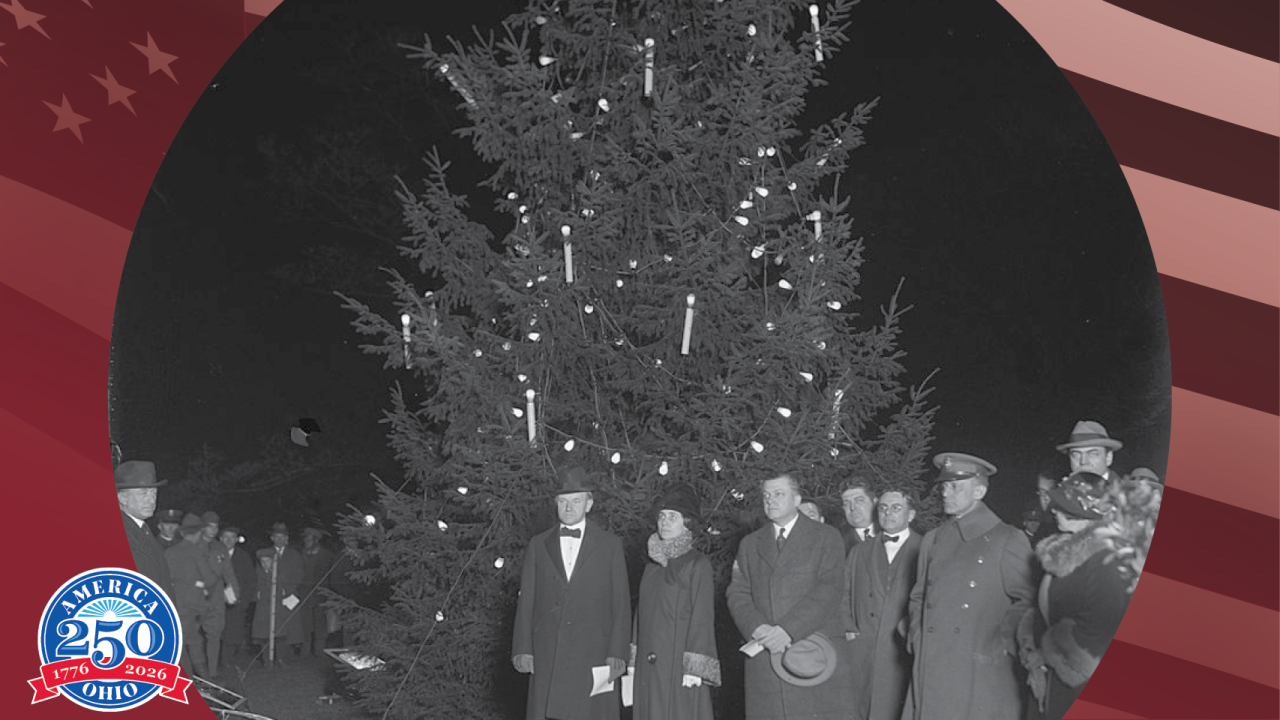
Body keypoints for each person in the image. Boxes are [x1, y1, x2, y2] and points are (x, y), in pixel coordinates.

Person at [902, 453, 1035, 720]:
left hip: (978, 670)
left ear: (979, 490)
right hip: (930, 667)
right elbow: (918, 598)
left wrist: (999, 644)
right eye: (944, 486)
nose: (945, 493)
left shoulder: (1007, 539)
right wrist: (917, 637)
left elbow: (1027, 603)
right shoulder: (933, 539)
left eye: (955, 487)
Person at [727, 473, 852, 720]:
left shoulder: (826, 536)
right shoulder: (750, 544)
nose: (770, 501)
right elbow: (737, 591)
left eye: (778, 494)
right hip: (765, 655)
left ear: (797, 499)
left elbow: (829, 589)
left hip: (812, 651)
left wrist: (787, 630)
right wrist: (757, 627)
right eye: (766, 495)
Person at [512, 467, 631, 720]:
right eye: (563, 502)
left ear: (589, 504)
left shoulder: (610, 545)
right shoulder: (538, 544)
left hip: (594, 654)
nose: (568, 508)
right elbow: (527, 601)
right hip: (547, 653)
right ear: (555, 505)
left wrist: (618, 652)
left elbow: (620, 603)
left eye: (576, 501)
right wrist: (522, 647)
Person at [1017, 472, 1134, 720]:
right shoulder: (1063, 552)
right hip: (1056, 680)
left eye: (1062, 506)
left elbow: (1100, 631)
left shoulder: (1106, 559)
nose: (1053, 511)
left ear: (1082, 512)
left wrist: (1049, 652)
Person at [632, 484, 720, 720]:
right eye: (662, 516)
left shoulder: (696, 564)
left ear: (687, 523)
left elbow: (702, 618)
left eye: (673, 517)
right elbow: (639, 616)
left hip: (678, 666)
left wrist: (694, 667)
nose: (665, 522)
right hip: (648, 667)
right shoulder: (651, 566)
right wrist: (633, 662)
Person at [844, 487, 922, 720]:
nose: (888, 513)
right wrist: (848, 627)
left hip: (902, 650)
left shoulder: (926, 548)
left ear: (911, 515)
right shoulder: (859, 551)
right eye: (883, 508)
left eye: (896, 508)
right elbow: (842, 593)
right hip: (863, 649)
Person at [165, 513, 219, 677]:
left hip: (174, 602)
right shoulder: (195, 551)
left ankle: (197, 678)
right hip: (193, 605)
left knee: (186, 639)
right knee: (191, 641)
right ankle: (199, 679)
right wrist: (200, 584)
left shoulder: (169, 552)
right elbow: (209, 579)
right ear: (197, 534)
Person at [115, 460, 174, 599]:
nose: (151, 500)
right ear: (122, 498)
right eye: (143, 493)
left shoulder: (143, 530)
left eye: (154, 492)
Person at [252, 523, 306, 662]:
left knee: (288, 627)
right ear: (272, 538)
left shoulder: (294, 554)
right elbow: (260, 574)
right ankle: (269, 657)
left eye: (282, 537)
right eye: (276, 537)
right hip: (269, 597)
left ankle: (283, 658)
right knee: (268, 627)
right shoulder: (265, 554)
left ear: (287, 539)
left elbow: (299, 574)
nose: (279, 540)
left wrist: (288, 591)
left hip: (288, 596)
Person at [198, 510, 238, 679]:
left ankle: (212, 673)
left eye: (215, 527)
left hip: (215, 599)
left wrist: (234, 593)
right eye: (209, 526)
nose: (213, 530)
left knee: (214, 636)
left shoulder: (220, 547)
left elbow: (228, 573)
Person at [219, 525, 255, 666]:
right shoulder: (211, 553)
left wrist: (244, 601)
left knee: (233, 632)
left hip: (236, 602)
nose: (228, 540)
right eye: (226, 537)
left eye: (232, 537)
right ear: (220, 538)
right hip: (215, 602)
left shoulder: (243, 557)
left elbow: (250, 581)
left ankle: (228, 660)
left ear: (236, 540)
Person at [299, 524, 337, 656]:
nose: (306, 542)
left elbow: (333, 576)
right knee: (305, 624)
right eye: (305, 540)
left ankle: (319, 652)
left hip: (321, 596)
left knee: (320, 625)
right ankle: (304, 652)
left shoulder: (328, 556)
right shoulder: (300, 554)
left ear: (316, 540)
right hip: (304, 595)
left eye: (309, 540)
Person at [1056, 421, 1124, 482]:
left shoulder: (1128, 493)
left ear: (1108, 458)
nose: (1083, 462)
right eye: (1076, 454)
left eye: (1093, 454)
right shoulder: (1059, 493)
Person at [841, 478, 877, 551]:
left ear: (875, 502)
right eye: (846, 503)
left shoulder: (893, 532)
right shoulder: (838, 541)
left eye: (859, 500)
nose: (852, 507)